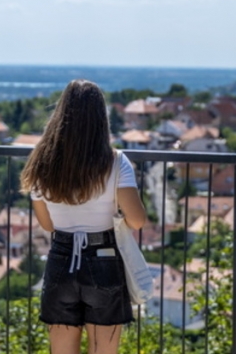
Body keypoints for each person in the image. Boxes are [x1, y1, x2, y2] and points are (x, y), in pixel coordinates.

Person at [22, 80, 147, 354]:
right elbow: (137, 220)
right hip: (104, 259)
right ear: (101, 119)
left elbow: (47, 224)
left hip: (61, 259)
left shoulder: (41, 162)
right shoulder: (116, 162)